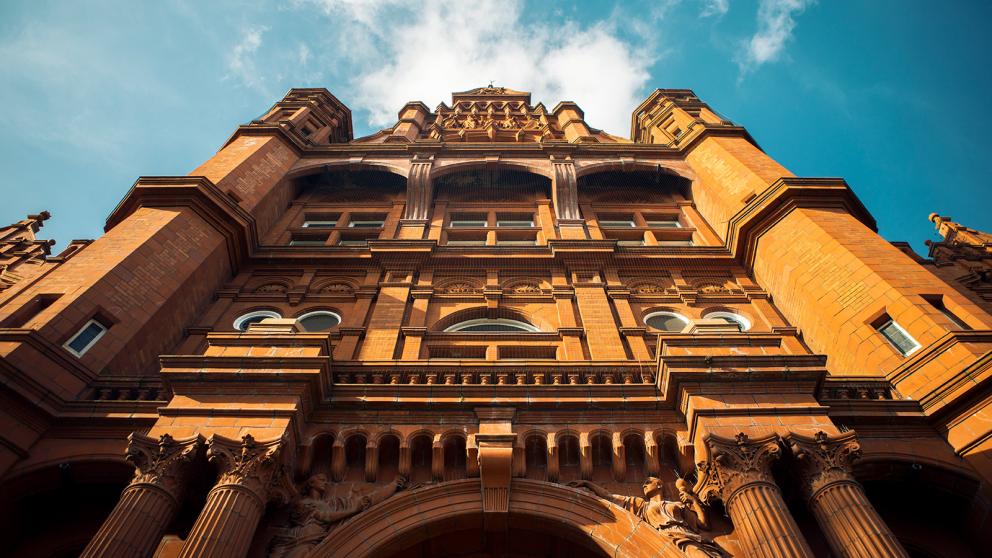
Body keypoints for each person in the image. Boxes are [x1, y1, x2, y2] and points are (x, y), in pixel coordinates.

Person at [569, 477, 724, 557]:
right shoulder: (642, 506)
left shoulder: (677, 504)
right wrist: (587, 484)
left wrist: (694, 501)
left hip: (688, 538)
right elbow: (609, 496)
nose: (644, 485)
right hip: (663, 540)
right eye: (643, 483)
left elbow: (704, 525)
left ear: (659, 485)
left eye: (648, 482)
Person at [269, 473, 407, 558]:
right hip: (300, 541)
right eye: (321, 479)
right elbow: (324, 516)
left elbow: (368, 501)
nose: (326, 483)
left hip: (312, 542)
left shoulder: (335, 503)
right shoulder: (303, 503)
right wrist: (353, 510)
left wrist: (392, 486)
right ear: (311, 482)